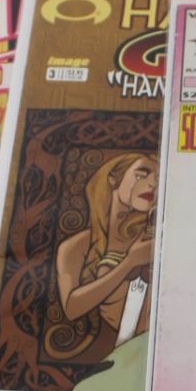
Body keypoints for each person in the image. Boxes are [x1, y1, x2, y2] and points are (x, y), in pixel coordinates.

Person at [54, 151, 158, 358]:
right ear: (113, 179)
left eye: (158, 179)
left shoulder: (153, 237)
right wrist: (129, 263)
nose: (152, 184)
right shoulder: (75, 247)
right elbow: (72, 307)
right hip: (108, 355)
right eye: (142, 174)